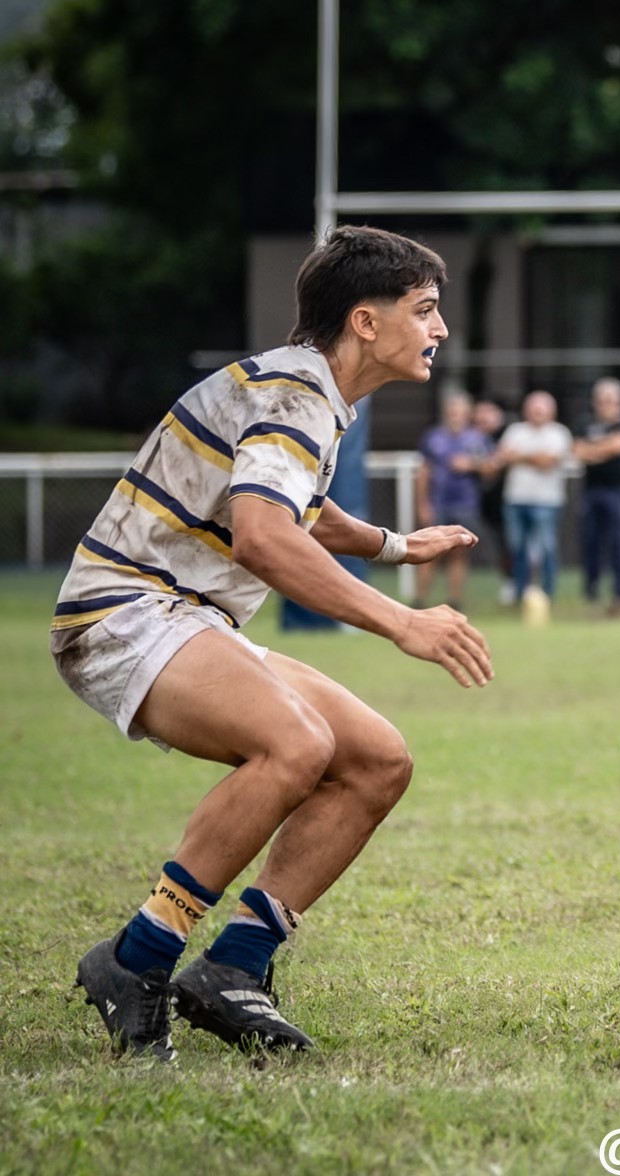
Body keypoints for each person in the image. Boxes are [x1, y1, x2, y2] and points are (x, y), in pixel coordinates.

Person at [56, 225, 494, 1060]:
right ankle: (137, 958)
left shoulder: (306, 394)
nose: (440, 329)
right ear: (365, 323)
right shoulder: (296, 396)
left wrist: (395, 547)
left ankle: (233, 968)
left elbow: (298, 505)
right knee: (297, 742)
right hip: (123, 612)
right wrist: (402, 619)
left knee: (376, 758)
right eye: (426, 310)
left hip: (186, 614)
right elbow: (263, 535)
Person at [414, 389, 494, 610]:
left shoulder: (477, 439)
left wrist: (471, 464)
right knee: (429, 552)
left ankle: (454, 601)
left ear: (467, 414)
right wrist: (422, 504)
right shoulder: (433, 437)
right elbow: (423, 473)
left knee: (459, 554)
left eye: (459, 412)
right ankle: (419, 601)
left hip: (466, 505)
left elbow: (491, 469)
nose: (455, 416)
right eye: (452, 412)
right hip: (438, 504)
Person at [572, 376, 620, 610]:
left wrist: (595, 450)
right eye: (601, 401)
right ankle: (590, 592)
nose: (605, 405)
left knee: (618, 542)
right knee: (590, 542)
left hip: (618, 491)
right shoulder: (585, 422)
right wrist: (606, 449)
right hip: (591, 491)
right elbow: (578, 451)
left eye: (610, 401)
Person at [498, 390, 573, 602]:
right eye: (534, 407)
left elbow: (547, 462)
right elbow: (504, 455)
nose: (538, 412)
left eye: (542, 408)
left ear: (552, 411)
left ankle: (547, 593)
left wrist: (520, 457)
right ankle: (521, 593)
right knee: (517, 548)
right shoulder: (515, 431)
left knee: (547, 548)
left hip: (547, 502)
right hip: (515, 500)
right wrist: (534, 457)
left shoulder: (559, 433)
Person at [472, 397, 516, 600]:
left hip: (509, 501)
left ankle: (518, 583)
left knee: (513, 544)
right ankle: (509, 582)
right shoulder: (471, 438)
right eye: (479, 412)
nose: (482, 417)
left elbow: (495, 465)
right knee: (498, 545)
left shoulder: (510, 434)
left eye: (487, 411)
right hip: (482, 502)